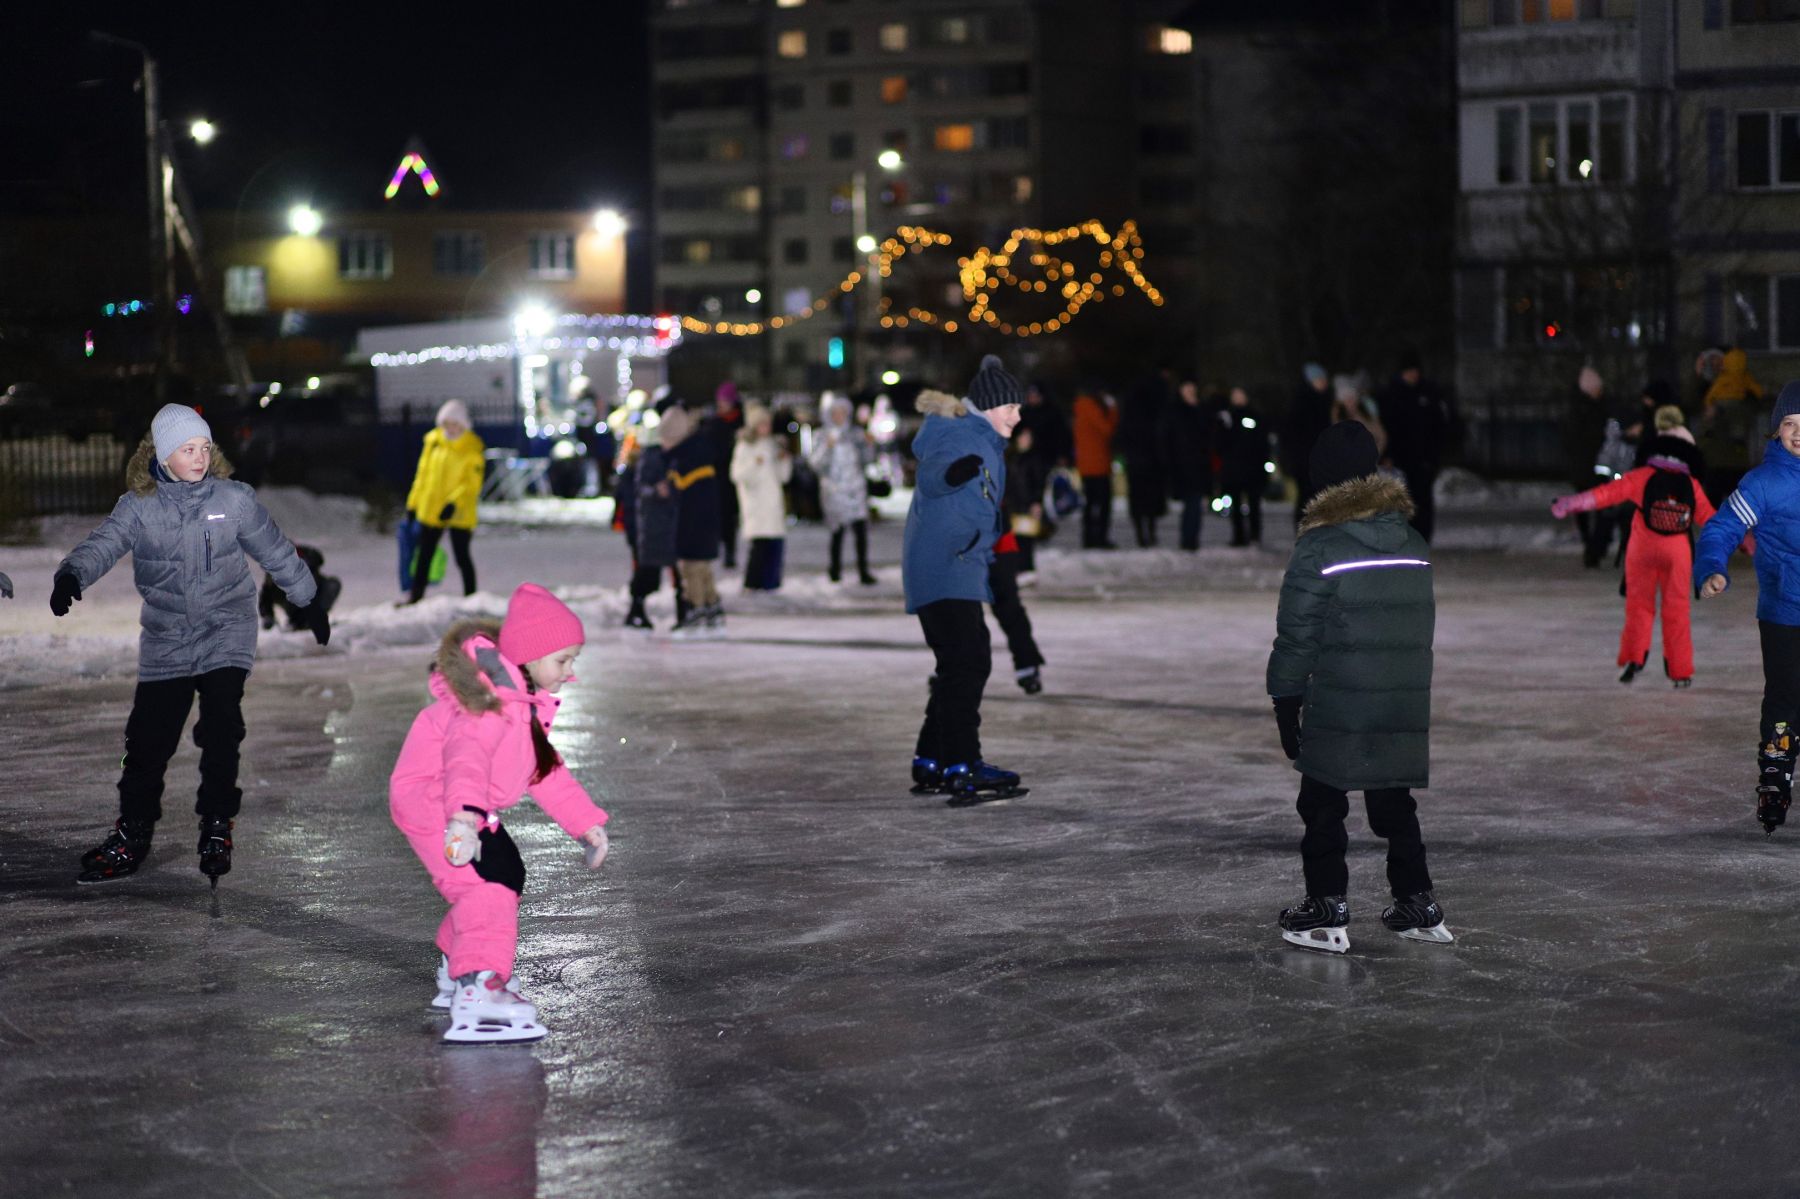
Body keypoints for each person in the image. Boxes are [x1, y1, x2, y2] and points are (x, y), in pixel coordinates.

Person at [52, 403, 329, 885]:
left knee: (222, 726)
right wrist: (73, 574)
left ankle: (217, 824)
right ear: (163, 455)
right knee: (146, 741)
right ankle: (132, 835)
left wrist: (307, 599)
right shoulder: (138, 507)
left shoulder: (233, 499)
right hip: (168, 637)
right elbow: (103, 543)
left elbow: (275, 549)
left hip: (227, 629)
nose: (199, 457)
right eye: (187, 449)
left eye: (204, 447)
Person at [388, 583, 609, 1043]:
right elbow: (464, 760)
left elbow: (544, 771)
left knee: (505, 874)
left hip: (464, 803)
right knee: (485, 888)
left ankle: (457, 964)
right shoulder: (490, 706)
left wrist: (585, 823)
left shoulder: (522, 703)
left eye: (573, 661)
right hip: (435, 798)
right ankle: (478, 987)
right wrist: (463, 820)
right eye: (562, 661)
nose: (570, 674)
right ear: (529, 657)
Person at [1266, 420, 1448, 954]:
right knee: (1394, 800)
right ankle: (1416, 899)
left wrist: (1285, 700)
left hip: (1340, 698)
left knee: (1321, 799)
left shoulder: (1319, 546)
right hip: (1400, 697)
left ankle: (1326, 903)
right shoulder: (1412, 540)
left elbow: (1297, 636)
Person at [903, 357, 1029, 807]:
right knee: (967, 662)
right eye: (1009, 407)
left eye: (1018, 407)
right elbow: (933, 472)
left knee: (960, 663)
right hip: (945, 566)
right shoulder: (961, 435)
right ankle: (962, 763)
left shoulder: (987, 440)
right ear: (988, 407)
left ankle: (933, 759)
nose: (1016, 415)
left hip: (956, 565)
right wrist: (951, 474)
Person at [1697, 381, 1800, 836]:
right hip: (1782, 611)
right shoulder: (1762, 482)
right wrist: (1711, 568)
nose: (1797, 434)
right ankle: (1775, 777)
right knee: (1783, 697)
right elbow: (1721, 528)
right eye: (1789, 424)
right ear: (1775, 430)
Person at [1552, 421, 1715, 687]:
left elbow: (1606, 494)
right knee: (1677, 609)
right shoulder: (1691, 484)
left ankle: (1634, 659)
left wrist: (1571, 503)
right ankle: (1680, 670)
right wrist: (1747, 540)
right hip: (1677, 551)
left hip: (1643, 549)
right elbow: (1712, 520)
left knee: (1639, 606)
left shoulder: (1643, 476)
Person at [403, 399, 485, 604]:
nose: (451, 428)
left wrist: (453, 503)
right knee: (424, 555)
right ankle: (416, 595)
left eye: (455, 423)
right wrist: (413, 504)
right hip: (431, 509)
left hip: (459, 512)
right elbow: (422, 476)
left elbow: (471, 484)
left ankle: (471, 597)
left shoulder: (471, 448)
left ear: (463, 424)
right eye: (447, 423)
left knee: (462, 556)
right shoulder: (433, 444)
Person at [660, 401, 724, 637]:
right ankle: (713, 611)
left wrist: (669, 489)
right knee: (703, 569)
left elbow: (684, 495)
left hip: (692, 525)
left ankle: (696, 612)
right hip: (705, 524)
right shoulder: (699, 453)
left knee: (691, 570)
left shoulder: (684, 461)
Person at [1377, 350, 1455, 542]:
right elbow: (1386, 427)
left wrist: (1435, 453)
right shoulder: (1392, 394)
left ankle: (1422, 537)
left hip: (1424, 457)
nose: (1413, 375)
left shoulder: (1428, 393)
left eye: (1415, 371)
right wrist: (1387, 454)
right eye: (1409, 371)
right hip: (1400, 458)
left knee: (1423, 500)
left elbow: (1439, 425)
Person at [624, 417, 684, 632]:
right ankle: (637, 609)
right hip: (654, 524)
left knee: (675, 570)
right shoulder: (651, 458)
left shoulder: (671, 456)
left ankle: (682, 611)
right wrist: (657, 491)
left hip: (665, 523)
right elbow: (639, 491)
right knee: (651, 571)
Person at [811, 393, 877, 585]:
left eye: (842, 412)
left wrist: (869, 445)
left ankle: (863, 571)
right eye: (835, 413)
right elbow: (816, 464)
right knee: (837, 533)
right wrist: (828, 448)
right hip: (834, 492)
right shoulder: (821, 436)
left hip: (855, 490)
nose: (839, 416)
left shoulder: (855, 435)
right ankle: (834, 570)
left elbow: (867, 460)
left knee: (860, 532)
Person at [731, 403, 792, 592]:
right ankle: (752, 582)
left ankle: (771, 582)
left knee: (774, 544)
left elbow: (783, 477)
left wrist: (784, 460)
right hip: (756, 504)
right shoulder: (745, 447)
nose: (767, 428)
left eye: (768, 424)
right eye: (762, 424)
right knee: (759, 546)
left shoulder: (773, 445)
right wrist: (755, 464)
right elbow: (737, 475)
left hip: (772, 503)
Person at [1697, 347, 1765, 509]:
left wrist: (1719, 410)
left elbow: (1742, 417)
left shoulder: (1725, 391)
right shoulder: (1744, 389)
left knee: (1720, 513)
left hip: (1725, 461)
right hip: (1728, 461)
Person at [1121, 367, 1173, 546]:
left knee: (1139, 500)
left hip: (1139, 461)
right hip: (1149, 461)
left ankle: (1143, 534)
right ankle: (1148, 532)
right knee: (1148, 500)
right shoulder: (1155, 412)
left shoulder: (1132, 412)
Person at [1163, 380, 1214, 551]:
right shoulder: (1175, 411)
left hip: (1199, 465)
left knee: (1195, 502)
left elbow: (1207, 435)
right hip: (1183, 464)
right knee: (1191, 503)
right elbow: (1170, 438)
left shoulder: (1202, 409)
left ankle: (1191, 539)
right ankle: (1188, 539)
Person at [1219, 386, 1272, 548]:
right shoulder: (1226, 417)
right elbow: (1220, 443)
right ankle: (1239, 536)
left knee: (1254, 503)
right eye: (1235, 395)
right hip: (1233, 468)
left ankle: (1255, 535)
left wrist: (1263, 464)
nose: (1238, 398)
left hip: (1252, 468)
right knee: (1235, 505)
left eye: (1240, 395)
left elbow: (1261, 441)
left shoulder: (1254, 416)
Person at [1283, 364, 1334, 528]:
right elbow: (1292, 435)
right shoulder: (1302, 405)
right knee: (1306, 497)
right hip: (1305, 461)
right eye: (1319, 380)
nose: (1323, 383)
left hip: (1320, 460)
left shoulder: (1326, 402)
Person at [1072, 385, 1119, 548]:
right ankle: (1100, 538)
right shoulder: (1092, 408)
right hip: (1098, 463)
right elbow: (1107, 429)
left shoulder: (1079, 408)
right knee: (1103, 503)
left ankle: (1088, 537)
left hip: (1085, 464)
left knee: (1090, 503)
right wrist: (1112, 410)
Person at [706, 382, 745, 568]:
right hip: (718, 475)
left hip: (737, 474)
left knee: (731, 516)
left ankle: (730, 550)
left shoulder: (741, 422)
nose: (722, 404)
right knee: (721, 514)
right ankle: (720, 547)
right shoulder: (714, 423)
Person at [1004, 425, 1050, 573]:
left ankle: (1026, 570)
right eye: (1023, 436)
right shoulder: (1009, 456)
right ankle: (1014, 570)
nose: (1026, 440)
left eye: (1029, 437)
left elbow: (1039, 483)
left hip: (1027, 505)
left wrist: (1036, 502)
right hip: (1011, 505)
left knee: (1025, 541)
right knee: (1011, 539)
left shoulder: (1034, 459)